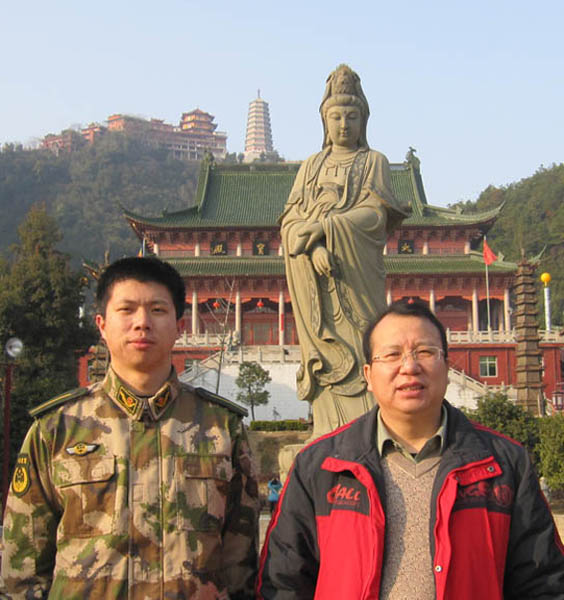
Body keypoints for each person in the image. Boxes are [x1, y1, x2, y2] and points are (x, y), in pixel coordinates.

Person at [257, 300, 564, 599]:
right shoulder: (320, 466)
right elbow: (283, 582)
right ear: (367, 375)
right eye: (391, 355)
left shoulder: (503, 463)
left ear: (446, 364)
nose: (410, 366)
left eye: (426, 352)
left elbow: (543, 582)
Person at [1, 256, 259, 599]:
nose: (142, 323)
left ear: (179, 327)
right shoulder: (56, 429)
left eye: (157, 310)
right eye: (127, 309)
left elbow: (241, 567)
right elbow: (22, 571)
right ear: (102, 325)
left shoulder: (222, 428)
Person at [280, 64, 409, 439]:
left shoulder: (374, 162)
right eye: (335, 116)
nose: (343, 124)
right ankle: (326, 433)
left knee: (368, 343)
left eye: (351, 116)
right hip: (314, 281)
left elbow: (375, 214)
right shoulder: (310, 167)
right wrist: (312, 246)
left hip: (356, 275)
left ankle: (372, 432)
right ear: (324, 120)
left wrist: (325, 228)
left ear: (363, 120)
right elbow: (289, 220)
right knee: (325, 361)